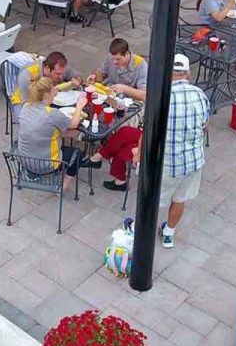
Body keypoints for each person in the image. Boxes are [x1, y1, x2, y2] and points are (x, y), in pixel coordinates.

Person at [157, 54, 210, 248]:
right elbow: (205, 126)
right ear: (188, 73)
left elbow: (150, 131)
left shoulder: (162, 97)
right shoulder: (200, 94)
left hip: (169, 163)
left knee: (154, 200)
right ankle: (169, 234)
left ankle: (141, 231)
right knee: (180, 199)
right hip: (194, 161)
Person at [16, 78, 94, 186]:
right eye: (53, 91)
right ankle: (63, 186)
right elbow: (74, 124)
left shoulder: (26, 107)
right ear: (46, 95)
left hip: (24, 160)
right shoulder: (52, 114)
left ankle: (31, 174)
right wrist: (79, 106)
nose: (55, 93)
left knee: (50, 132)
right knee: (78, 154)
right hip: (45, 165)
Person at [10, 51, 80, 111]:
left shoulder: (60, 68)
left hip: (50, 99)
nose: (61, 77)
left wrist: (77, 81)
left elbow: (77, 77)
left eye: (63, 73)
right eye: (57, 74)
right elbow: (29, 105)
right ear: (47, 68)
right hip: (25, 104)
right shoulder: (26, 76)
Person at [88, 37, 148, 102]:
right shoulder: (111, 57)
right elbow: (102, 74)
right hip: (108, 95)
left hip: (128, 101)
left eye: (118, 59)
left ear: (127, 53)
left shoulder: (140, 64)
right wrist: (95, 76)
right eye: (113, 59)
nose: (114, 62)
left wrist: (125, 89)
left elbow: (144, 95)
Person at [93, 125, 143, 192]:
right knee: (124, 131)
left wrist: (139, 153)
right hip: (148, 138)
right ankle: (98, 157)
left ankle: (97, 157)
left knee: (123, 149)